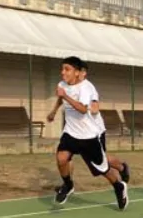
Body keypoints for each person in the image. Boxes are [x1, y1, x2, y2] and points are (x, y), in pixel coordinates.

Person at [52, 57, 129, 210]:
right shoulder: (62, 85)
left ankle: (118, 185)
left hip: (88, 136)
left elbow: (82, 109)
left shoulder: (86, 88)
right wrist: (53, 111)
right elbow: (61, 98)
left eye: (67, 69)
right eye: (62, 69)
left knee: (102, 169)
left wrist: (66, 96)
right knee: (61, 158)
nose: (63, 72)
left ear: (77, 72)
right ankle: (68, 185)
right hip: (70, 132)